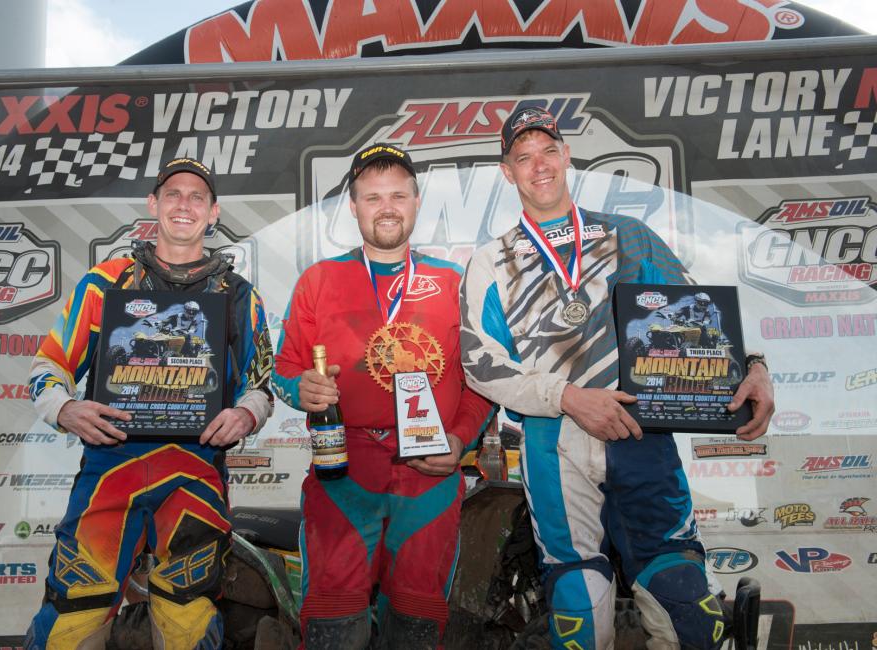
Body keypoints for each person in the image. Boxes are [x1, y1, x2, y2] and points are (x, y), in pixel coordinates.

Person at [459, 108, 774, 649]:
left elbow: (697, 314)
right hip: (552, 441)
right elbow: (479, 362)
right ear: (507, 171)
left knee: (684, 600)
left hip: (642, 433)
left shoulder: (628, 234)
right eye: (523, 156)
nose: (539, 166)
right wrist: (567, 397)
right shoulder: (492, 261)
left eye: (548, 151)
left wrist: (753, 367)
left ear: (567, 156)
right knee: (579, 607)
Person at [25, 157, 274, 649]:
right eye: (174, 194)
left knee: (190, 612)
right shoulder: (105, 282)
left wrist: (246, 413)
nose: (185, 204)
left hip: (196, 472)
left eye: (197, 196)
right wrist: (63, 408)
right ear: (153, 204)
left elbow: (262, 385)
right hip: (110, 468)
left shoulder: (240, 296)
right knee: (75, 607)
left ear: (214, 212)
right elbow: (49, 365)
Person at [272, 143, 492, 649]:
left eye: (397, 195)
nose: (386, 207)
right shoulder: (319, 281)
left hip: (430, 476)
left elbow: (482, 382)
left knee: (417, 623)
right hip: (342, 474)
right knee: (332, 621)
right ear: (353, 207)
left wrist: (459, 441)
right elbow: (283, 370)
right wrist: (298, 388)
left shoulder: (453, 283)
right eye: (372, 197)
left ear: (416, 202)